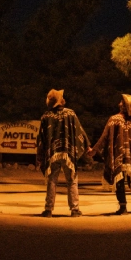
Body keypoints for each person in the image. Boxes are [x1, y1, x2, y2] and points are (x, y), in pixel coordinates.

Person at [89, 94, 131, 214]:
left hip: (119, 156)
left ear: (125, 106)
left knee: (120, 180)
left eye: (122, 102)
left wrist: (94, 150)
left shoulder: (114, 119)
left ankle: (123, 208)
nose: (119, 104)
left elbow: (105, 137)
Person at [35, 89, 91, 217]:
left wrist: (39, 156)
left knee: (51, 180)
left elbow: (41, 139)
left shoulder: (46, 116)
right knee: (71, 180)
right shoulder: (70, 114)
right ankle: (75, 209)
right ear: (61, 100)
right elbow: (80, 131)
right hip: (68, 153)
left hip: (52, 154)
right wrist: (87, 145)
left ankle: (48, 209)